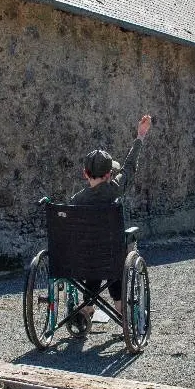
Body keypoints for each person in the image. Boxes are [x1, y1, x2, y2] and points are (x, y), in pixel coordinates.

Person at [70, 114, 152, 324]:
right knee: (115, 252)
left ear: (84, 174)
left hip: (82, 260)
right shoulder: (115, 190)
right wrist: (140, 136)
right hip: (112, 258)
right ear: (108, 175)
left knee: (94, 253)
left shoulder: (75, 201)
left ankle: (87, 307)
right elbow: (129, 167)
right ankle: (119, 305)